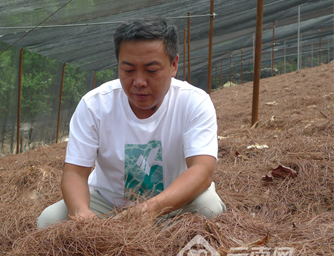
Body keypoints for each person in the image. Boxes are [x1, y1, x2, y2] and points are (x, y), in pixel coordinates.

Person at [37, 17, 226, 229]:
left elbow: (202, 170)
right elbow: (75, 172)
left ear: (173, 65)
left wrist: (149, 209)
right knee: (49, 221)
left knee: (209, 208)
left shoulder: (194, 102)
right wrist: (83, 215)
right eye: (128, 70)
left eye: (151, 70)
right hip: (108, 204)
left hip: (174, 203)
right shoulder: (95, 105)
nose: (139, 81)